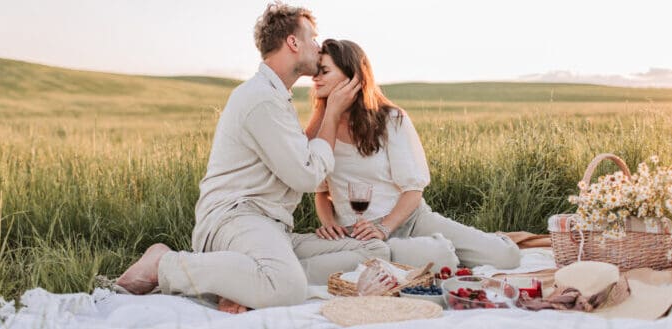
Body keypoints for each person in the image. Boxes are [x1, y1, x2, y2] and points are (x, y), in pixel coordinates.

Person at [116, 4, 390, 314]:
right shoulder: (260, 99)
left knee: (372, 249)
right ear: (293, 43)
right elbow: (307, 176)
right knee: (287, 287)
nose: (318, 46)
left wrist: (325, 108)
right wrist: (333, 112)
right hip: (236, 219)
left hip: (270, 229)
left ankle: (240, 281)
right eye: (312, 38)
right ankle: (164, 264)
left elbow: (301, 150)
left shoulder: (277, 97)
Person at [307, 39, 520, 272]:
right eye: (315, 72)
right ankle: (425, 251)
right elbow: (321, 191)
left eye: (324, 71)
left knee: (505, 258)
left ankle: (435, 247)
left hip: (410, 220)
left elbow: (413, 190)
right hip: (358, 236)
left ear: (353, 77)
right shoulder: (320, 129)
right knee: (440, 258)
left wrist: (385, 228)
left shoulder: (391, 119)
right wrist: (328, 224)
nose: (315, 78)